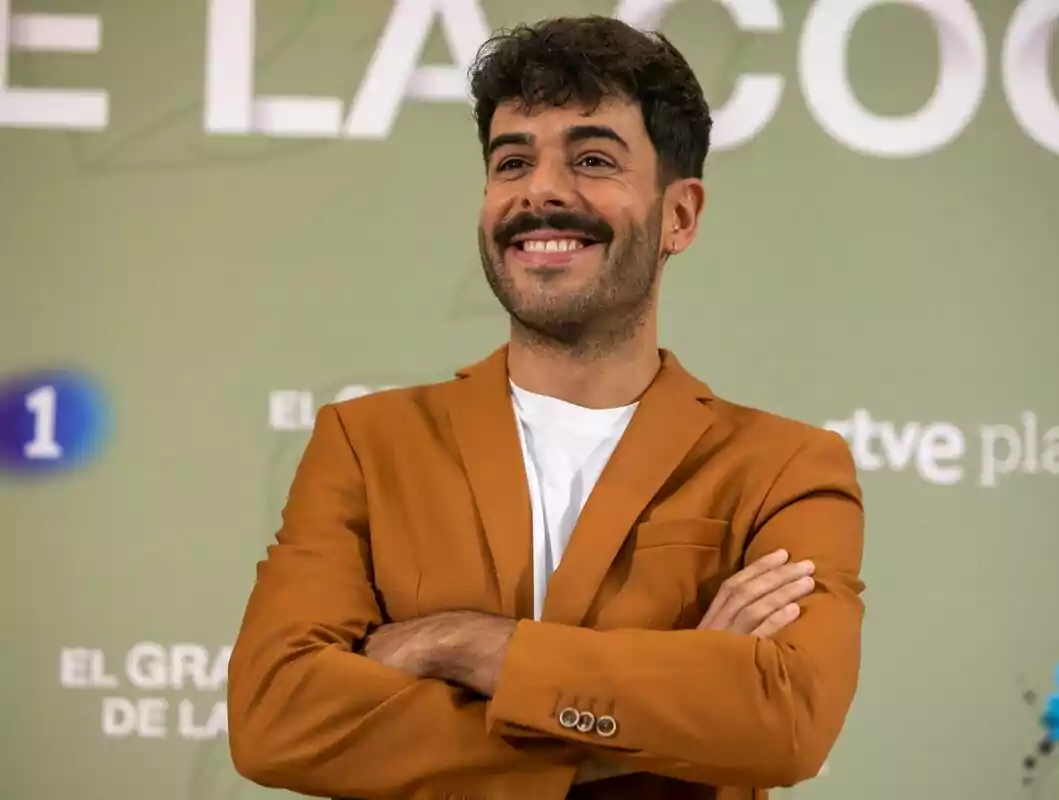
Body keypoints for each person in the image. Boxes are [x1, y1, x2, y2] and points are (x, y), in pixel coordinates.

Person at [227, 14, 865, 800]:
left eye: (593, 159)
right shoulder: (366, 442)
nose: (541, 191)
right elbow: (275, 720)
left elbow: (785, 724)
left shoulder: (784, 468)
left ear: (681, 215)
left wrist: (455, 642)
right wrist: (660, 716)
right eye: (512, 161)